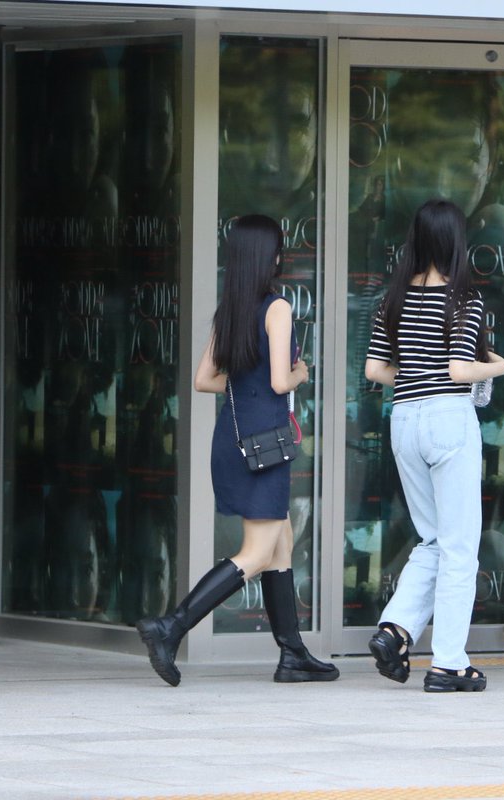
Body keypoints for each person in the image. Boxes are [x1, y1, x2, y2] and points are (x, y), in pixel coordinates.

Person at [136, 214, 338, 686]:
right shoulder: (277, 307)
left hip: (232, 440)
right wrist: (302, 373)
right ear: (270, 256)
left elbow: (205, 379)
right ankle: (171, 627)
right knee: (258, 550)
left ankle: (293, 653)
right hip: (264, 444)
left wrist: (248, 383)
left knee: (281, 540)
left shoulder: (230, 309)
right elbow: (279, 380)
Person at [364, 199, 504, 692]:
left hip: (404, 418)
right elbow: (459, 370)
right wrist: (500, 366)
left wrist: (415, 373)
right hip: (448, 417)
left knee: (432, 539)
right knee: (460, 546)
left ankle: (395, 629)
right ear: (455, 242)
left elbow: (375, 371)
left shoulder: (392, 298)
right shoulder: (465, 298)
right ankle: (448, 663)